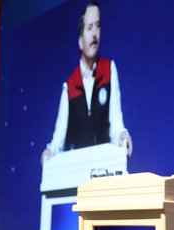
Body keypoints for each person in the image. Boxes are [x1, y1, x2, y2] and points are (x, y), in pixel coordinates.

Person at [42, 1, 132, 162]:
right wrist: (49, 152)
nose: (95, 34)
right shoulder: (69, 86)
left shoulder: (109, 70)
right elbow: (59, 139)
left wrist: (122, 136)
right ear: (80, 40)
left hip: (105, 166)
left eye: (98, 26)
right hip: (79, 170)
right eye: (89, 28)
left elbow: (116, 123)